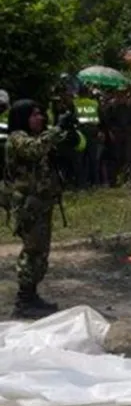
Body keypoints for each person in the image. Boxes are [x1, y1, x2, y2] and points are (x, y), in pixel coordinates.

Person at [3, 100, 63, 317]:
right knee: (32, 252)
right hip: (28, 205)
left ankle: (32, 295)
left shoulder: (35, 137)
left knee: (40, 252)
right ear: (23, 117)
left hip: (41, 203)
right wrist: (56, 131)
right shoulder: (17, 138)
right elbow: (34, 150)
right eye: (35, 115)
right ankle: (24, 301)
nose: (40, 118)